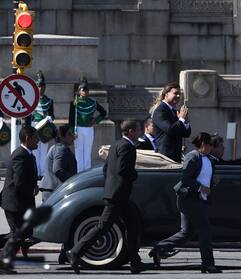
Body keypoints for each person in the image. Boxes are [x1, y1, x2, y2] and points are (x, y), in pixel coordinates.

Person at [66, 120, 147, 274]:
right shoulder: (128, 147)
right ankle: (75, 252)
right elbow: (123, 170)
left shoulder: (116, 144)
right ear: (130, 131)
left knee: (133, 225)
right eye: (137, 130)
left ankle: (135, 262)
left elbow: (106, 169)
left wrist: (111, 185)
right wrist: (134, 175)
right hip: (119, 195)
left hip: (115, 193)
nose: (139, 133)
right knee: (103, 226)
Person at [148, 132, 222, 273]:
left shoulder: (208, 159)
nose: (211, 147)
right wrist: (201, 187)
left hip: (200, 200)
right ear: (203, 144)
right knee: (205, 230)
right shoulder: (192, 157)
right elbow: (186, 178)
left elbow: (203, 178)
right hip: (189, 200)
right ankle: (208, 264)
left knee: (186, 233)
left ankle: (158, 248)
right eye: (210, 145)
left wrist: (212, 183)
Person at [0, 126, 39, 270]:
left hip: (21, 202)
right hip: (15, 203)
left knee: (21, 234)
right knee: (17, 235)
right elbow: (19, 182)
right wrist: (30, 188)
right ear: (28, 139)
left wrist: (35, 185)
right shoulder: (20, 155)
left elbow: (27, 176)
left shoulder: (28, 154)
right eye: (36, 138)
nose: (38, 141)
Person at [68, 78, 107, 172]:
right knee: (78, 152)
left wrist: (96, 120)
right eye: (83, 90)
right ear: (79, 91)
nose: (85, 92)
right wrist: (72, 131)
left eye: (86, 90)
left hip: (89, 129)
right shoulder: (75, 102)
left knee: (87, 152)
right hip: (78, 129)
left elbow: (103, 112)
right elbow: (71, 119)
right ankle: (79, 172)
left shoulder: (92, 102)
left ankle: (86, 172)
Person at [151, 82, 191, 162]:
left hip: (175, 157)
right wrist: (181, 119)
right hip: (165, 158)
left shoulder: (173, 111)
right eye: (175, 93)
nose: (178, 96)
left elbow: (186, 134)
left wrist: (185, 122)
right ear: (166, 94)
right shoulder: (160, 110)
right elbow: (170, 129)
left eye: (179, 94)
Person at [40, 124, 77, 202]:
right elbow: (58, 170)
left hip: (52, 191)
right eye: (69, 134)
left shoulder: (58, 148)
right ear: (61, 137)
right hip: (54, 192)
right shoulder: (60, 149)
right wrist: (73, 181)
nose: (73, 137)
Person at [30, 71, 55, 179]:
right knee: (35, 151)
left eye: (42, 86)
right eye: (39, 86)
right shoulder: (31, 99)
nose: (41, 88)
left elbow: (53, 115)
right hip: (34, 126)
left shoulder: (49, 100)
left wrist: (49, 118)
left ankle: (43, 173)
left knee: (43, 151)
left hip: (44, 128)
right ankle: (35, 172)